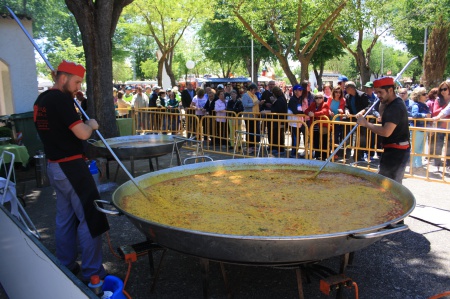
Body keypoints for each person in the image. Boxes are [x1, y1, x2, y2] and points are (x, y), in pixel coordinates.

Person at [33, 60, 109, 282]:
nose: (78, 87)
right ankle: (92, 272)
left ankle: (65, 264)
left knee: (65, 217)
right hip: (71, 167)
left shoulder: (42, 99)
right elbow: (82, 133)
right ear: (63, 78)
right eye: (76, 82)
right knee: (90, 216)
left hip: (55, 166)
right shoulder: (61, 99)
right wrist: (92, 124)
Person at [356, 77, 410, 183]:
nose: (378, 95)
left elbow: (386, 131)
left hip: (398, 152)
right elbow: (375, 110)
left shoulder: (396, 106)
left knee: (390, 184)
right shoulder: (387, 102)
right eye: (376, 93)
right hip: (391, 149)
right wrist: (366, 110)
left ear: (390, 90)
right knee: (384, 181)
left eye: (380, 92)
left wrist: (366, 123)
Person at [344, 81, 371, 162]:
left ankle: (358, 156)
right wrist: (346, 110)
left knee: (360, 138)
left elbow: (369, 106)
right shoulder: (347, 96)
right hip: (352, 120)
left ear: (351, 88)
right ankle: (348, 154)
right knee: (349, 137)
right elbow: (346, 106)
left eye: (346, 88)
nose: (345, 89)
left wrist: (362, 112)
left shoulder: (362, 95)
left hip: (361, 120)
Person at [430, 81, 450, 171]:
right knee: (438, 144)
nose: (443, 91)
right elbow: (435, 112)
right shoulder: (438, 99)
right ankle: (437, 164)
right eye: (441, 89)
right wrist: (446, 107)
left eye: (445, 89)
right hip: (441, 125)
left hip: (448, 126)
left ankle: (448, 164)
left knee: (449, 146)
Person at [305, 92, 330, 160]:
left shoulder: (325, 104)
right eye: (316, 98)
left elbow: (324, 112)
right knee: (315, 141)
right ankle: (317, 155)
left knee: (323, 141)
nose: (318, 99)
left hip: (322, 125)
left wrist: (314, 114)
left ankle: (324, 156)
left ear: (323, 98)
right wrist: (308, 113)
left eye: (320, 97)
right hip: (314, 126)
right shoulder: (313, 104)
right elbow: (306, 110)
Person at [410, 87, 431, 169]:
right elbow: (414, 115)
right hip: (417, 129)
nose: (426, 95)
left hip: (423, 129)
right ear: (418, 96)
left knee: (420, 148)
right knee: (415, 148)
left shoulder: (425, 105)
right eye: (424, 94)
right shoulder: (416, 105)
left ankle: (418, 164)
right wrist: (425, 115)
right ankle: (414, 165)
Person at [268, 86, 288, 155]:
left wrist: (272, 104)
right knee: (278, 134)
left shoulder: (280, 100)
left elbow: (276, 109)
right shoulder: (282, 98)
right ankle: (277, 148)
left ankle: (280, 149)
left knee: (279, 134)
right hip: (280, 119)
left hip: (279, 120)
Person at [241, 83, 261, 154]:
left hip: (255, 116)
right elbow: (245, 105)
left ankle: (253, 145)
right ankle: (249, 146)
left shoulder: (255, 96)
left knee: (254, 131)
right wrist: (254, 103)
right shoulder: (245, 95)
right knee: (249, 131)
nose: (255, 91)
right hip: (248, 116)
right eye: (254, 90)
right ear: (251, 89)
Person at [287, 84, 305, 158]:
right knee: (295, 138)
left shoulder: (299, 99)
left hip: (298, 122)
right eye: (299, 90)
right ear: (295, 91)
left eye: (301, 90)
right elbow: (295, 111)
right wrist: (304, 113)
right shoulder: (292, 100)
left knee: (298, 138)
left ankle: (295, 152)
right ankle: (293, 154)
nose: (301, 92)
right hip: (293, 123)